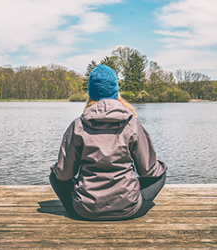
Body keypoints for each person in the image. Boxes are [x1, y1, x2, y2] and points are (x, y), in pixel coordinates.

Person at [49, 64, 167, 220]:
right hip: (128, 208)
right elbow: (148, 171)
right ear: (116, 91)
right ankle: (126, 199)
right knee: (161, 172)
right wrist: (158, 163)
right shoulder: (132, 125)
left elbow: (64, 175)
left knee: (54, 175)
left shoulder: (78, 125)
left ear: (91, 93)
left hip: (85, 209)